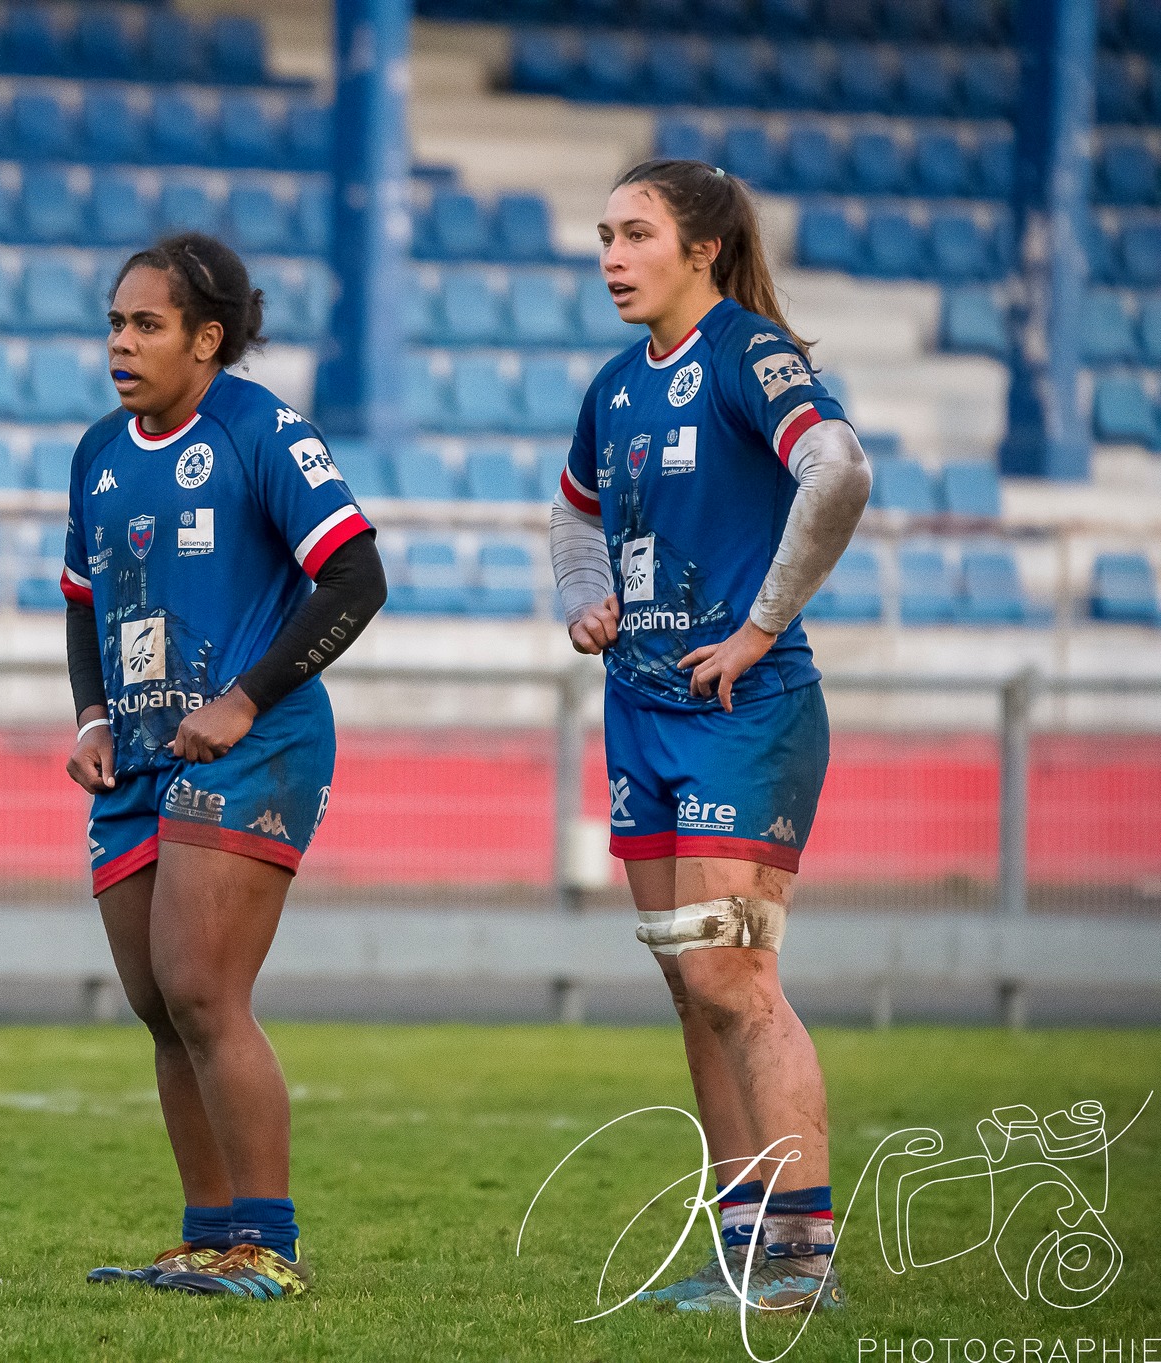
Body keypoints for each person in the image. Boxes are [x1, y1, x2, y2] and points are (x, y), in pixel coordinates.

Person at [548, 160, 870, 1314]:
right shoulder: (612, 387)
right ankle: (743, 1250)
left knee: (733, 977)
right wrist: (581, 596)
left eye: (635, 234)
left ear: (703, 250)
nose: (610, 256)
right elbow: (572, 513)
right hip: (640, 711)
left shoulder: (745, 354)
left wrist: (758, 625)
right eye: (603, 234)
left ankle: (799, 1261)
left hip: (743, 711)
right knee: (692, 987)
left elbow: (838, 470)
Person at [63, 232, 387, 1300]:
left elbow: (356, 579)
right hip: (137, 756)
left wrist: (244, 697)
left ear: (207, 340)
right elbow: (82, 602)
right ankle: (208, 1236)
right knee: (162, 1003)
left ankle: (269, 1245)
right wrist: (92, 717)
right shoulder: (97, 452)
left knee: (204, 989)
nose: (121, 342)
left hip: (257, 740)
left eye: (146, 325)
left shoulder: (263, 432)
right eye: (115, 322)